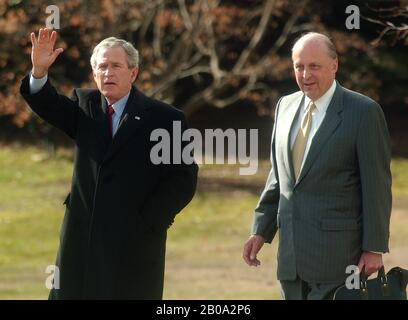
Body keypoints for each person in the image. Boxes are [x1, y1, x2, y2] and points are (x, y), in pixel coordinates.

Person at [20, 28, 198, 299]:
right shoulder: (85, 105)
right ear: (94, 74)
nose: (108, 73)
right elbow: (47, 104)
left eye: (116, 66)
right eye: (102, 67)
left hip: (135, 243)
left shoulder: (165, 119)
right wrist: (40, 72)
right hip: (82, 239)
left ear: (133, 73)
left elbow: (183, 179)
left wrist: (149, 221)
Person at [242, 32, 392, 300]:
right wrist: (261, 230)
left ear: (334, 66)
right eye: (299, 66)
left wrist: (374, 248)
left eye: (314, 66)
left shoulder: (363, 112)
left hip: (338, 260)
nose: (305, 74)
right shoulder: (284, 106)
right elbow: (279, 177)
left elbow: (376, 186)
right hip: (291, 261)